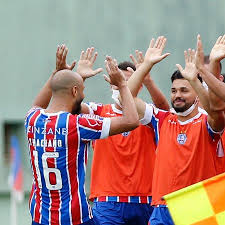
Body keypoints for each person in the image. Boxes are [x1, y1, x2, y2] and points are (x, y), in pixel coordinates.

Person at [25, 45, 139, 225]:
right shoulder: (77, 125)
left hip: (40, 217)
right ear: (75, 92)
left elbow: (46, 98)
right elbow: (132, 120)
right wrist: (122, 85)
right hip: (74, 217)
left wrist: (58, 72)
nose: (84, 95)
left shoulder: (31, 119)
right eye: (82, 91)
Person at [125, 35, 225, 225]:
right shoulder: (162, 120)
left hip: (198, 206)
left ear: (197, 94)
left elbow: (216, 111)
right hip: (162, 206)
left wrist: (195, 79)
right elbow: (127, 98)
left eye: (184, 90)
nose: (177, 95)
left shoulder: (208, 122)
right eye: (174, 91)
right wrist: (146, 65)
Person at [80, 46, 169, 225]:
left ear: (138, 84)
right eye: (118, 81)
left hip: (145, 200)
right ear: (111, 83)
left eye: (128, 81)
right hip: (108, 202)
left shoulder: (148, 115)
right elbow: (72, 108)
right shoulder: (99, 111)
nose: (122, 86)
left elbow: (165, 111)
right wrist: (79, 77)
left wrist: (149, 79)